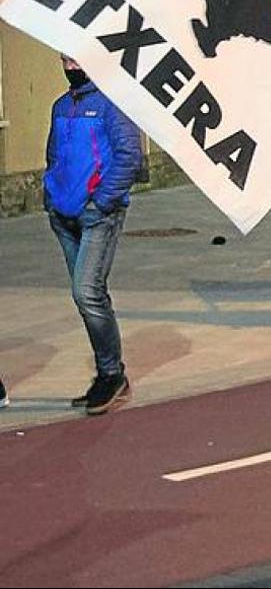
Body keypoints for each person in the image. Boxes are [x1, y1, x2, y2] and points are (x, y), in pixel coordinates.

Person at [45, 55, 141, 415]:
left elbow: (129, 159)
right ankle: (108, 374)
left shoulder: (114, 104)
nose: (70, 67)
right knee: (89, 296)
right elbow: (53, 155)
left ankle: (112, 375)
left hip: (98, 216)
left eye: (76, 59)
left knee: (86, 292)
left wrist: (100, 203)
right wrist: (50, 198)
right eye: (64, 59)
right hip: (63, 215)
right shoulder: (61, 106)